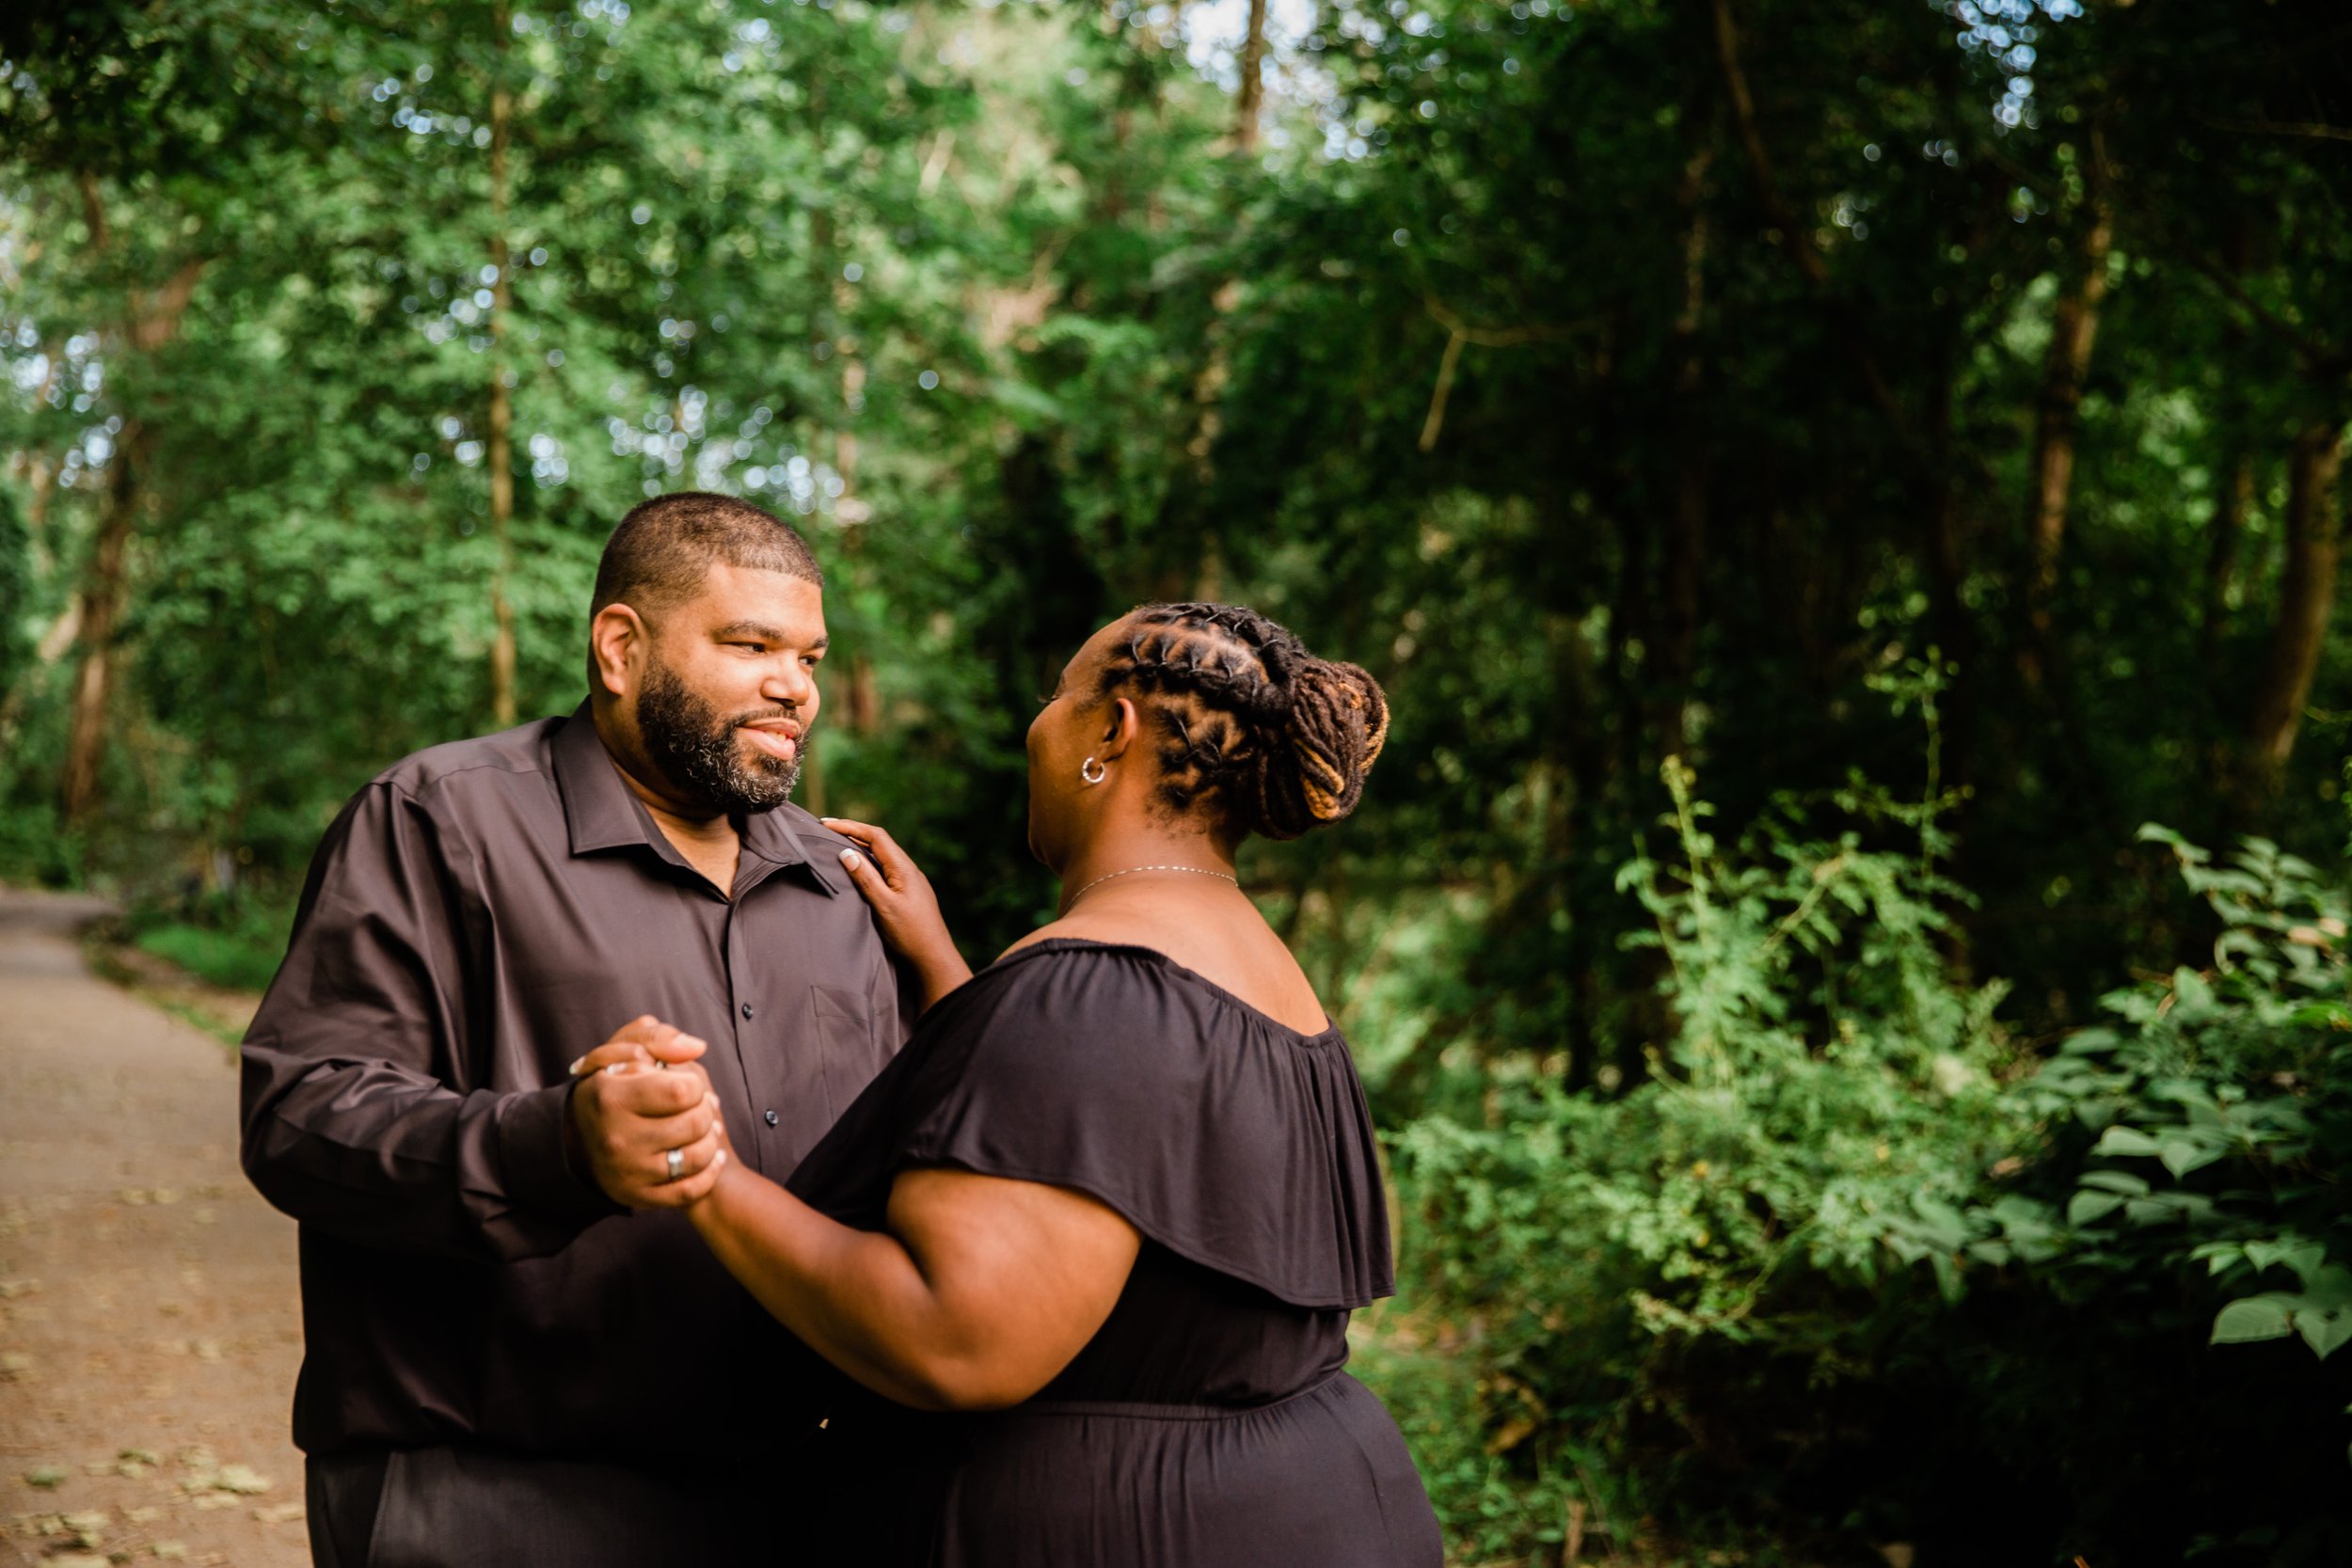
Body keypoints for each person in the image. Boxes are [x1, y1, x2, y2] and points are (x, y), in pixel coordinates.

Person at [579, 601, 1446, 1565]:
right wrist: (954, 975)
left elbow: (954, 1337)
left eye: (1057, 696)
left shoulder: (1090, 992)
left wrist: (703, 1170)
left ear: (1108, 733)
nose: (1037, 723)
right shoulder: (1248, 966)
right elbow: (1104, 1141)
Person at [240, 492, 918, 1567]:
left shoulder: (843, 887)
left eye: (811, 655)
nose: (796, 684)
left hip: (792, 1500)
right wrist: (558, 1142)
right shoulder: (438, 817)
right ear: (620, 647)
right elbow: (299, 1116)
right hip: (488, 1496)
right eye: (750, 644)